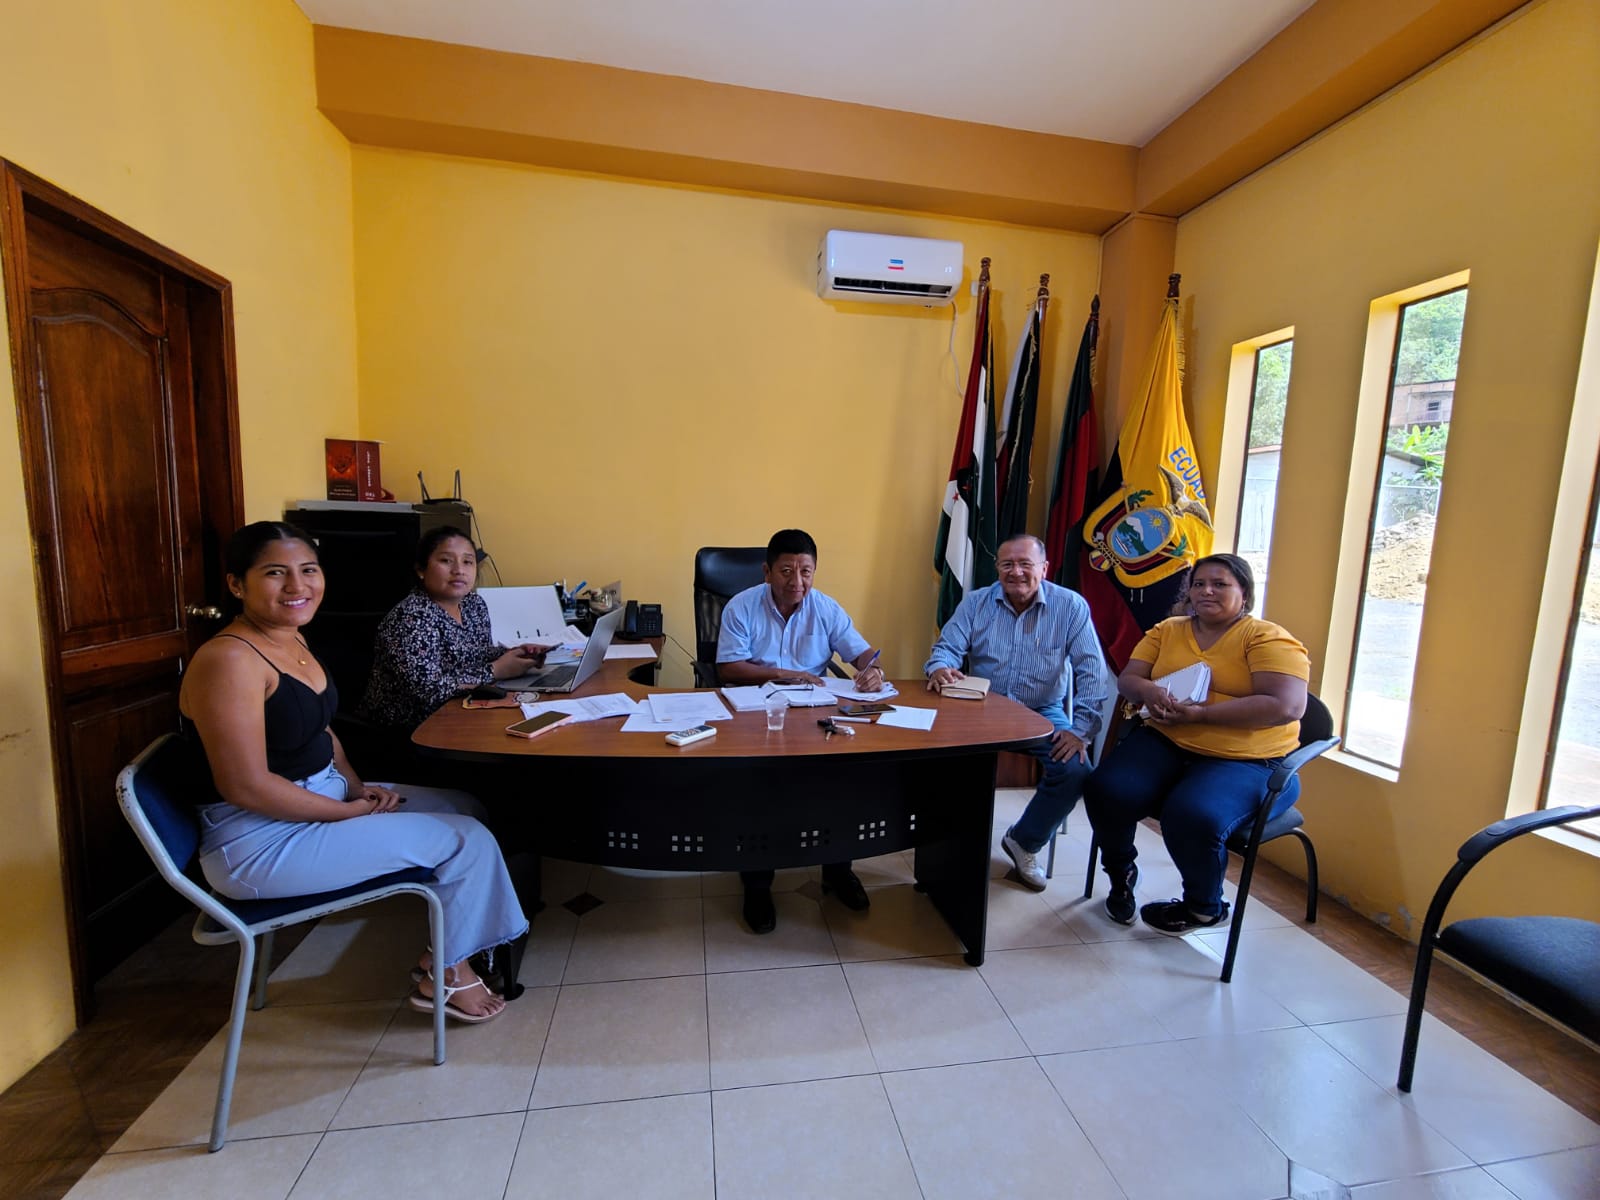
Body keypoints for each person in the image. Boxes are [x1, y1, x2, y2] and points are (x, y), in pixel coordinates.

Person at [180, 521, 528, 1022]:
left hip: (316, 799)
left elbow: (323, 730)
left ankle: (451, 945)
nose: (297, 586)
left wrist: (356, 786)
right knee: (466, 840)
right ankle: (447, 973)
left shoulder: (291, 641)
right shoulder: (228, 660)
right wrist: (347, 812)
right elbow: (245, 786)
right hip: (260, 841)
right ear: (237, 584)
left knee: (467, 807)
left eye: (308, 570)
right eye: (275, 573)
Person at [1083, 553, 1310, 933]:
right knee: (1105, 789)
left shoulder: (1267, 638)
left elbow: (1286, 706)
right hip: (1168, 740)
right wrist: (1150, 692)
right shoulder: (1167, 630)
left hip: (1248, 760)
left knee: (1191, 815)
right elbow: (1129, 679)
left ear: (1244, 593)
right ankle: (1122, 872)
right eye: (1199, 584)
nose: (1207, 591)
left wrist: (1201, 715)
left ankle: (1204, 907)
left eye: (1220, 584)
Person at [717, 528, 887, 934]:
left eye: (806, 571)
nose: (797, 581)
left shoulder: (825, 607)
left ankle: (838, 871)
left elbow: (861, 652)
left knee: (841, 781)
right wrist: (783, 674)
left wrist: (874, 670)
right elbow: (727, 667)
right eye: (786, 571)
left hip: (813, 714)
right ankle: (757, 883)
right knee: (761, 789)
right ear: (767, 572)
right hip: (755, 712)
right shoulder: (741, 607)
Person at [924, 532, 1112, 892]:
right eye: (1007, 564)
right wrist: (940, 667)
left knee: (1075, 770)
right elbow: (946, 648)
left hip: (1042, 711)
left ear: (1044, 568)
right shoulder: (976, 603)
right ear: (997, 568)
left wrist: (1081, 730)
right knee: (933, 757)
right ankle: (945, 843)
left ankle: (1024, 841)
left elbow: (1092, 670)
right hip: (981, 708)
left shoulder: (1070, 607)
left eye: (1026, 564)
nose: (1016, 572)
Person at [360, 525, 550, 731]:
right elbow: (427, 690)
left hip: (462, 710)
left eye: (468, 561)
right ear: (421, 570)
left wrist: (515, 654)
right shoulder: (411, 617)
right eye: (446, 561)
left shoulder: (474, 604)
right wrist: (496, 670)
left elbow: (475, 654)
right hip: (410, 727)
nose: (459, 570)